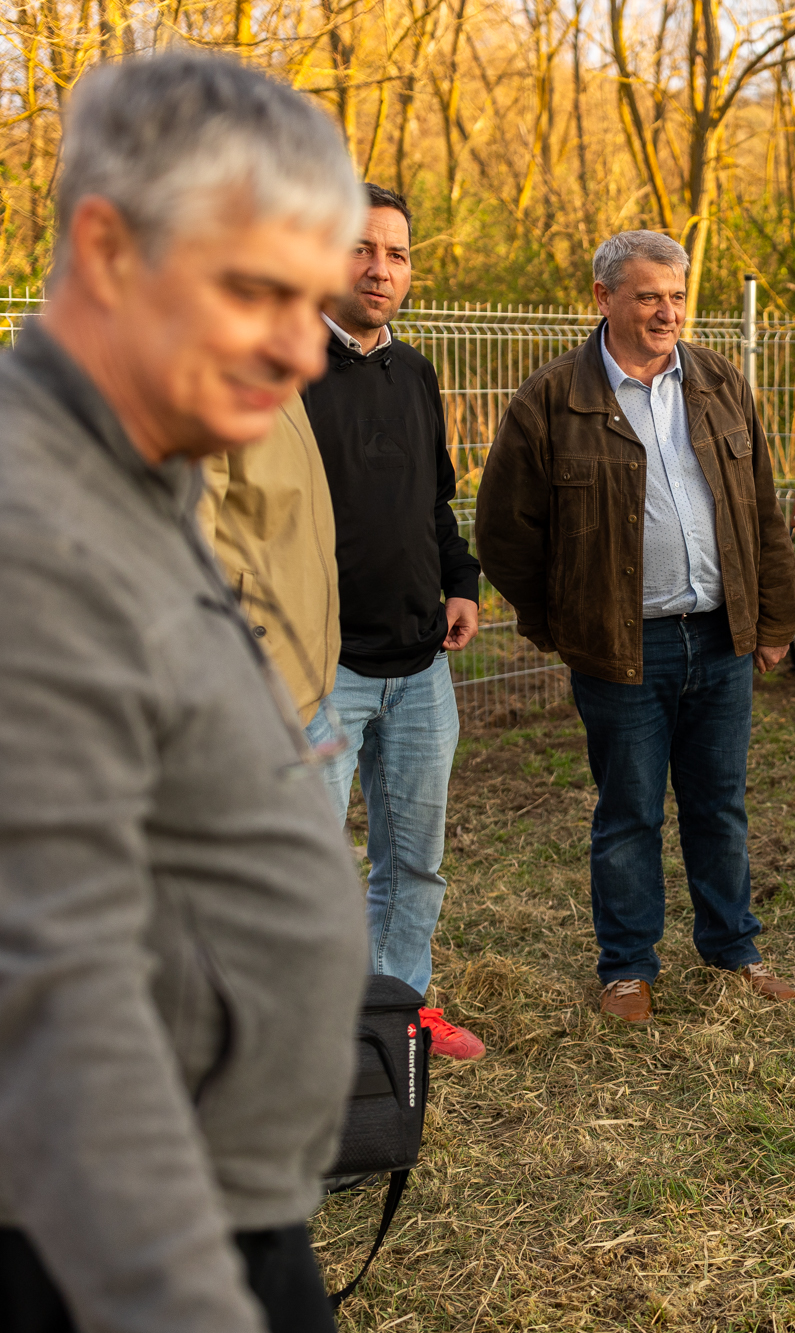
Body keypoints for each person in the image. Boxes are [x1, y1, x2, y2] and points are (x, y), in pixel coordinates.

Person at [0, 53, 368, 1331]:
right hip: (50, 1235)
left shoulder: (127, 479)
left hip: (177, 1193)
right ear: (109, 249)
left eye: (313, 301)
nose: (303, 349)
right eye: (256, 292)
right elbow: (53, 1019)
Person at [475, 230, 795, 1024]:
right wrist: (563, 623)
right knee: (629, 812)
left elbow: (761, 507)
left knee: (720, 804)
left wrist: (773, 617)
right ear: (604, 297)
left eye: (678, 296)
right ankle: (627, 968)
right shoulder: (552, 399)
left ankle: (734, 949)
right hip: (622, 647)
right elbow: (504, 533)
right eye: (649, 295)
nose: (667, 312)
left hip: (719, 637)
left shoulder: (719, 382)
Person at [301, 184, 487, 1061]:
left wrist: (461, 581)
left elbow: (433, 502)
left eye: (397, 253)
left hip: (420, 670)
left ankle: (396, 1017)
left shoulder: (414, 372)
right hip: (319, 672)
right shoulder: (279, 373)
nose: (380, 269)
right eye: (361, 248)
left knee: (414, 862)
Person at [198, 400, 339, 723]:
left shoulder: (286, 389)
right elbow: (183, 553)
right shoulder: (213, 390)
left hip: (299, 680)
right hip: (252, 684)